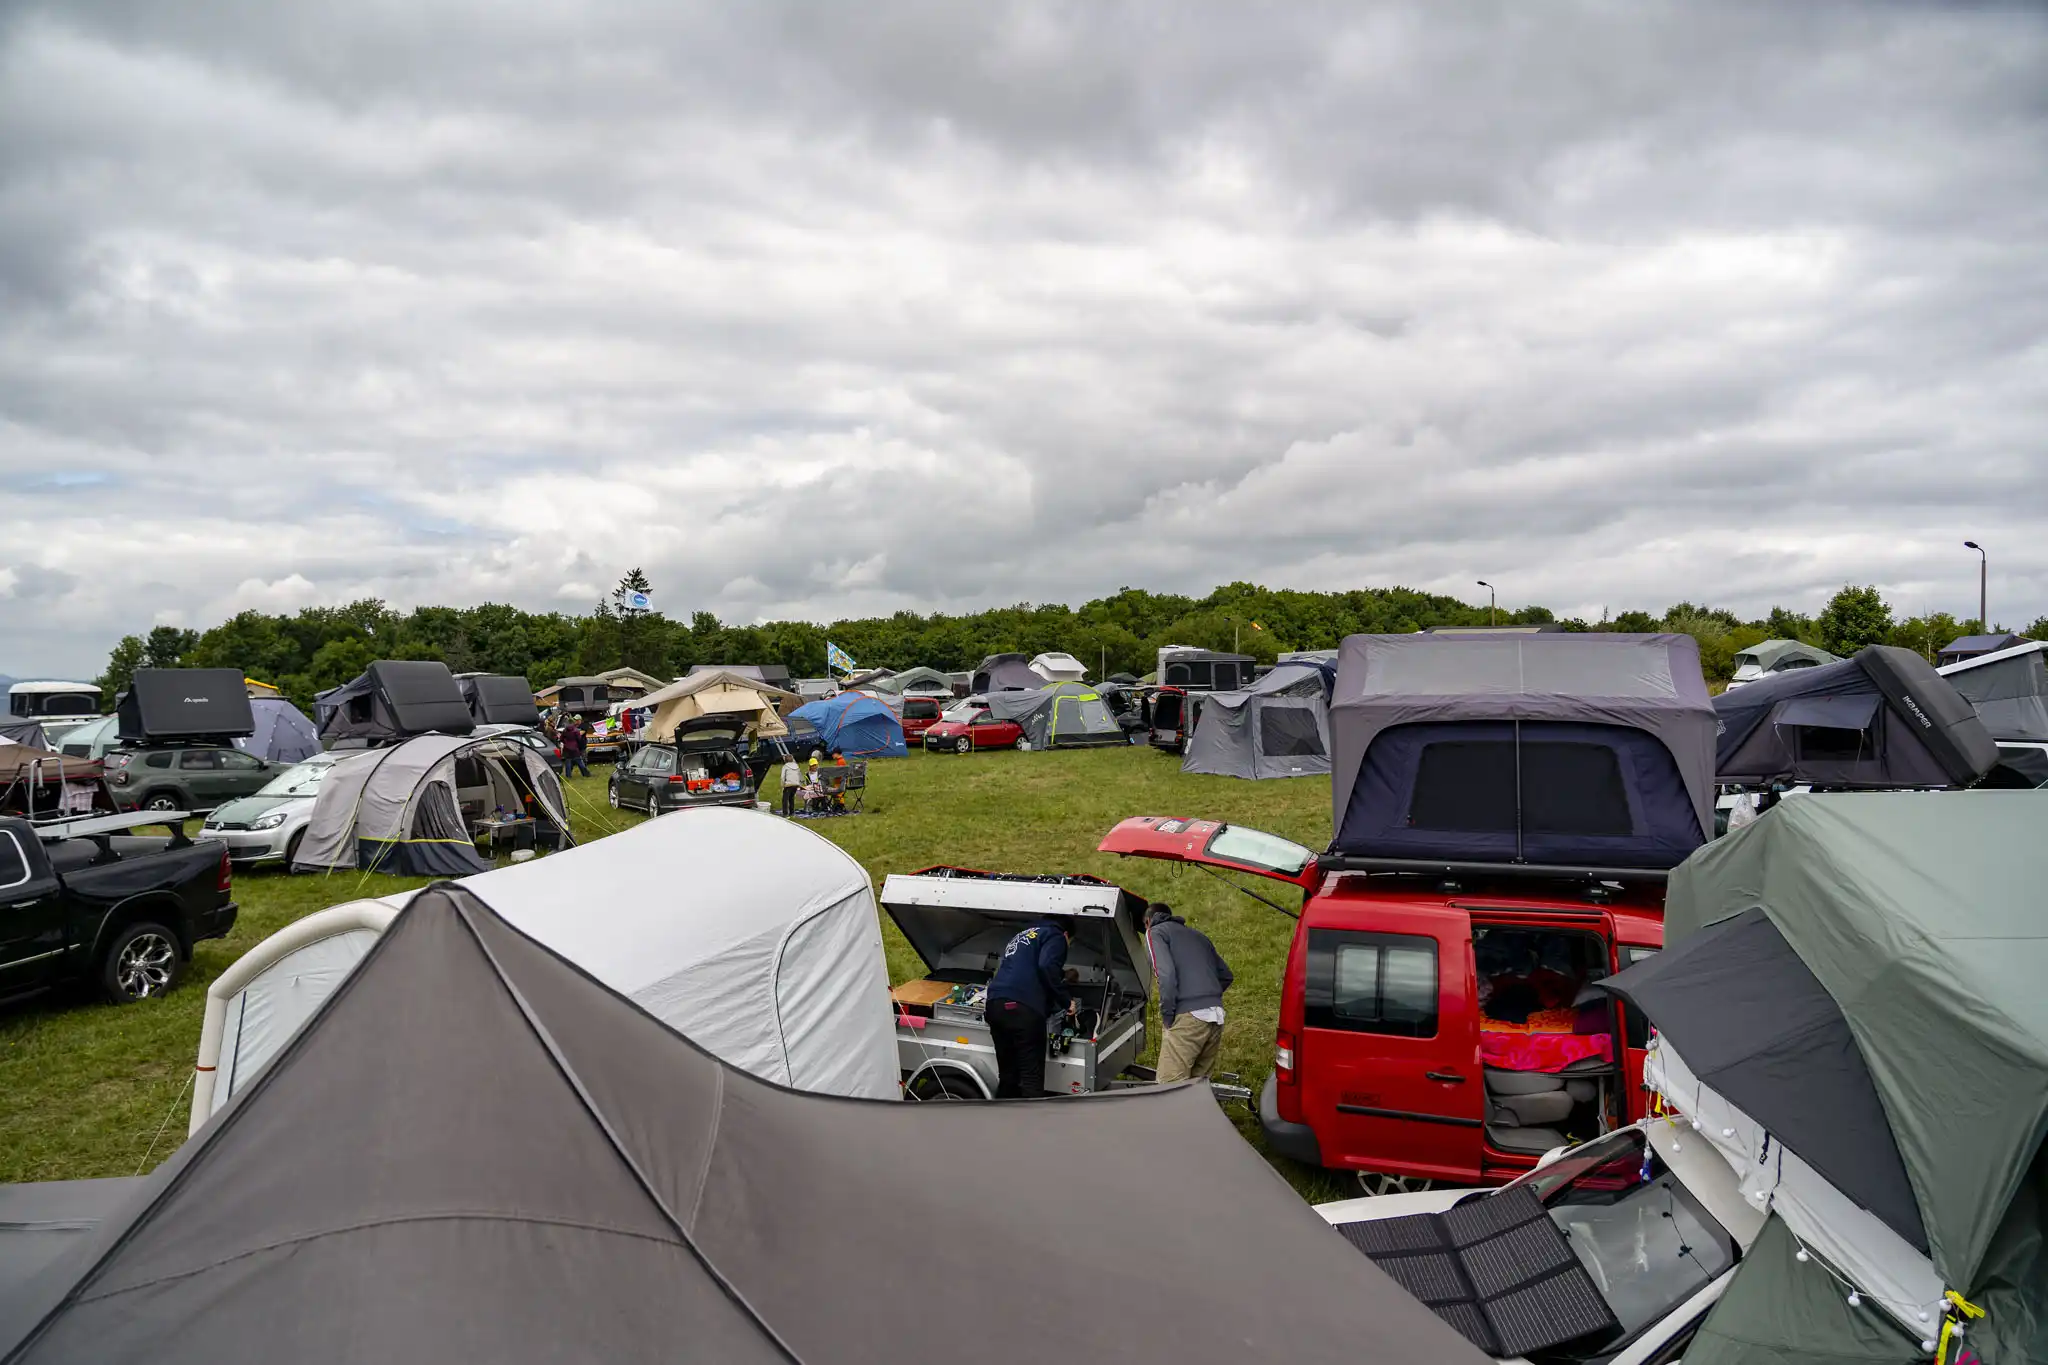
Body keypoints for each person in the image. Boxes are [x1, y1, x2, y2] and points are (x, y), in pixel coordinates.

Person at [983, 918, 1076, 1098]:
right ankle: (1032, 1124)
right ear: (1066, 935)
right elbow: (1047, 965)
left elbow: (1026, 969)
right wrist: (1066, 1001)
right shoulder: (1055, 935)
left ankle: (1002, 1119)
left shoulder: (1022, 935)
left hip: (996, 1004)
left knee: (1008, 1075)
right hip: (1023, 1009)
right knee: (1031, 1077)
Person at [1146, 903, 1233, 1085]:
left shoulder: (1155, 933)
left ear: (1148, 921)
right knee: (1199, 1086)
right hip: (1215, 1015)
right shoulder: (1198, 935)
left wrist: (1168, 1016)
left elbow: (1166, 975)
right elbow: (1226, 975)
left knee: (1169, 1088)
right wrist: (1207, 998)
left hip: (1188, 1016)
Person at [779, 752, 802, 817]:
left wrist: (782, 785)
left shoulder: (785, 766)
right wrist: (799, 784)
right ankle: (792, 813)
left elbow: (782, 777)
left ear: (785, 760)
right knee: (791, 798)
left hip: (788, 784)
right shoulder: (796, 766)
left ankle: (785, 813)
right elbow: (799, 775)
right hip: (796, 784)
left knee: (785, 799)